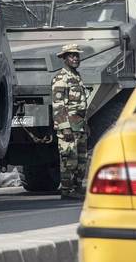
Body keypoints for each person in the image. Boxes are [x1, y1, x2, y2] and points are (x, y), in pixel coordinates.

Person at [51, 43, 89, 201]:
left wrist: (85, 125)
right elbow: (59, 106)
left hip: (79, 126)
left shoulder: (76, 76)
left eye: (77, 55)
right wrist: (65, 127)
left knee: (81, 159)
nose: (75, 58)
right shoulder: (61, 79)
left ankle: (77, 187)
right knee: (68, 159)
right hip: (68, 127)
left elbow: (81, 105)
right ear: (64, 59)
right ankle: (67, 190)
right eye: (71, 56)